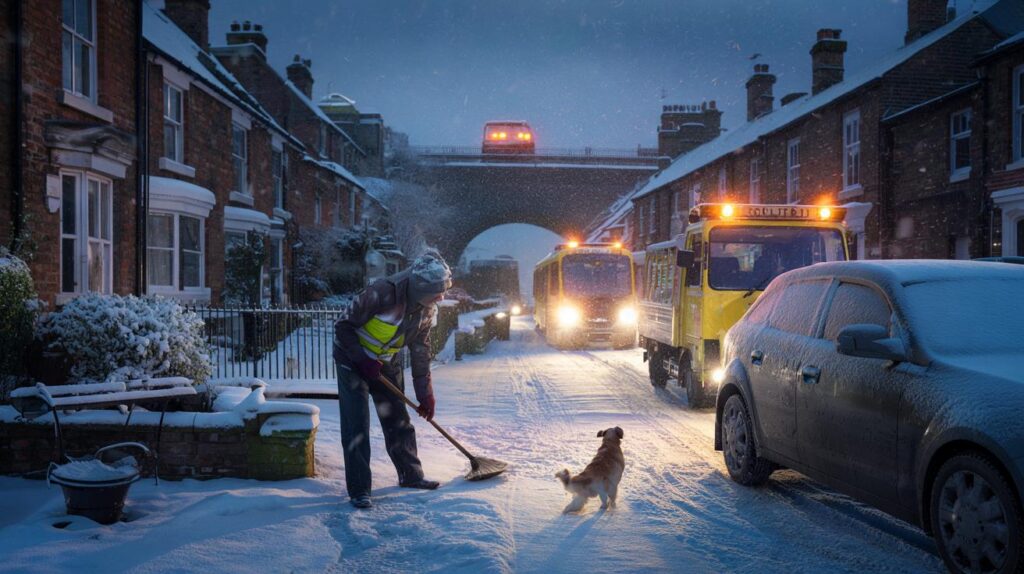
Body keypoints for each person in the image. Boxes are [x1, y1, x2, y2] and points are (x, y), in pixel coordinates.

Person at [333, 251, 453, 509]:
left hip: (386, 361)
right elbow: (342, 326)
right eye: (437, 293)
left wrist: (425, 395)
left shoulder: (427, 310)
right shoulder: (381, 293)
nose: (441, 298)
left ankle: (411, 475)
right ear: (420, 289)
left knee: (398, 420)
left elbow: (420, 350)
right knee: (357, 424)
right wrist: (361, 359)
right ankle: (359, 490)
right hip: (352, 360)